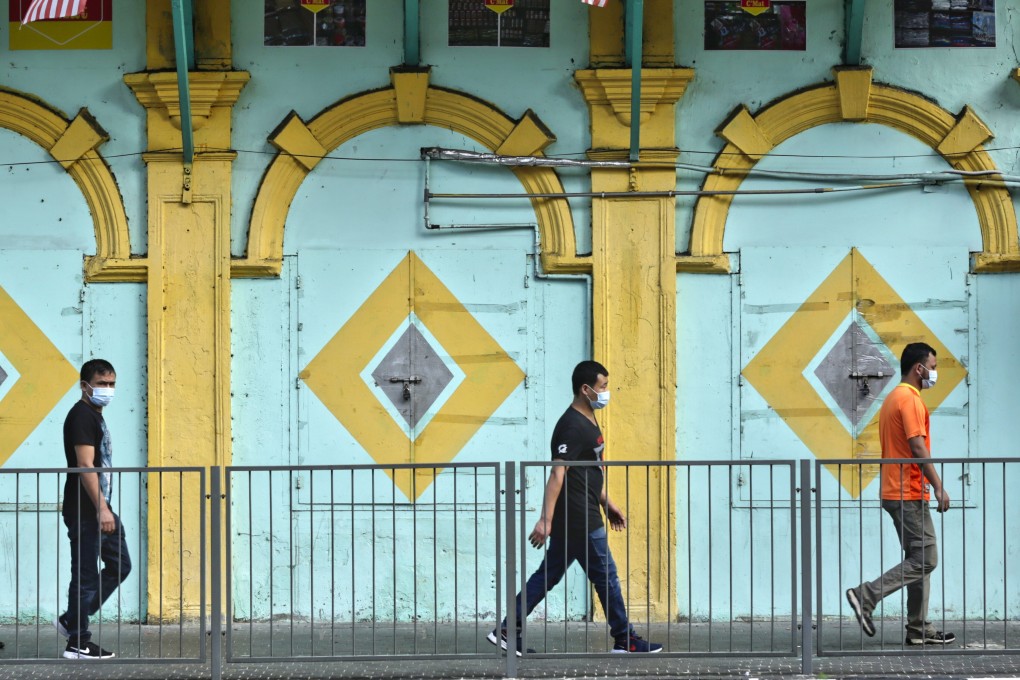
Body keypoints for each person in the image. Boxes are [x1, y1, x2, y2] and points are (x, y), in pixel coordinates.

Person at [488, 360, 662, 655]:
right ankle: (625, 639)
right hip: (580, 517)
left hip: (584, 512)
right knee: (606, 577)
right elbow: (558, 473)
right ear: (586, 389)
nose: (606, 392)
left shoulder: (589, 418)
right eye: (603, 387)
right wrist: (545, 520)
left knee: (548, 576)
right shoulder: (570, 425)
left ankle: (507, 630)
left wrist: (608, 503)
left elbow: (591, 470)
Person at [845, 342, 955, 646]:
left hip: (897, 490)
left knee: (917, 559)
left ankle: (918, 630)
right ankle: (865, 595)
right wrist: (938, 484)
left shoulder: (894, 398)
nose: (934, 373)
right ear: (918, 368)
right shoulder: (910, 400)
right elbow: (917, 445)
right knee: (926, 558)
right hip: (908, 492)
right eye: (932, 368)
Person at [55, 359, 131, 660]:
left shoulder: (93, 415)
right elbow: (85, 465)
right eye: (102, 384)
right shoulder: (81, 416)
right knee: (86, 574)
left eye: (111, 384)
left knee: (120, 565)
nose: (107, 390)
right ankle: (78, 642)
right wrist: (101, 508)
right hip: (87, 508)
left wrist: (105, 507)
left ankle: (71, 619)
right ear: (85, 386)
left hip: (99, 506)